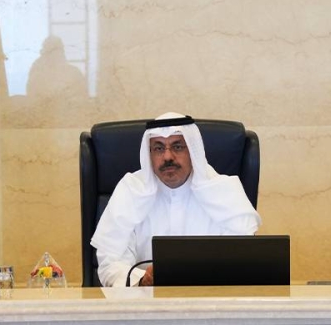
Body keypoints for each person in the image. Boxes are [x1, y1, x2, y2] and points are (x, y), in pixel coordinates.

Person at [90, 113, 261, 287]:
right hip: (145, 300)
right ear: (149, 154)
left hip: (211, 299)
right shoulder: (131, 191)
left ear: (192, 150)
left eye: (177, 147)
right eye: (158, 148)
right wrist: (141, 279)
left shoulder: (224, 192)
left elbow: (242, 259)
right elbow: (109, 263)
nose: (167, 157)